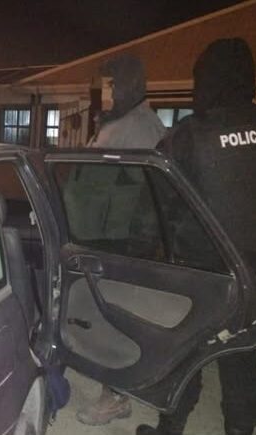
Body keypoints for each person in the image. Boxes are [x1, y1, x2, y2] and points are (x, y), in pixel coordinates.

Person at [136, 38, 256, 435]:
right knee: (242, 359)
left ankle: (170, 429)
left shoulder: (189, 136)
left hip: (202, 275)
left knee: (186, 356)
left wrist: (143, 250)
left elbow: (157, 201)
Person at [76, 53, 166, 426]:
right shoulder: (121, 121)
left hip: (122, 242)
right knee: (102, 314)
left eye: (112, 85)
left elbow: (146, 191)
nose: (107, 92)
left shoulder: (141, 126)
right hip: (105, 235)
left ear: (129, 85)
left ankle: (115, 397)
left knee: (114, 319)